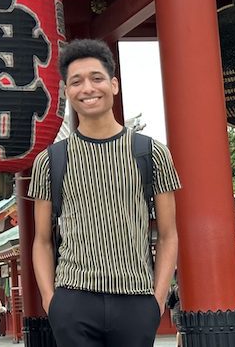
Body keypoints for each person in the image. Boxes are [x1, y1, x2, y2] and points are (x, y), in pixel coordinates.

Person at [29, 39, 181, 347]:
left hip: (136, 298)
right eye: (76, 81)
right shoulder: (51, 160)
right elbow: (42, 239)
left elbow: (168, 234)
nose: (87, 88)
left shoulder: (151, 153)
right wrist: (51, 300)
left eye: (96, 78)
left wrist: (158, 298)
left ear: (113, 84)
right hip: (73, 299)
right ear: (68, 91)